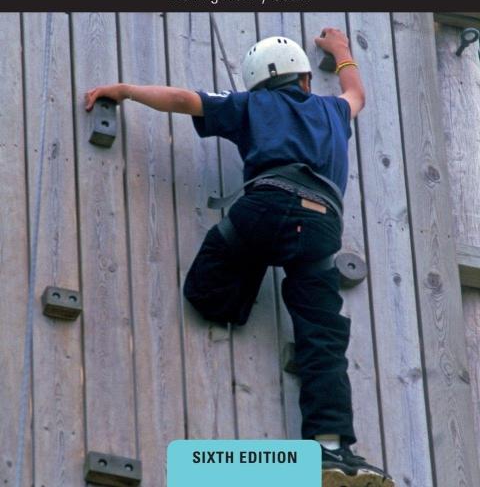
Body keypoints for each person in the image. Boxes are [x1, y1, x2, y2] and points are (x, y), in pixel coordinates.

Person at [85, 28, 394, 487]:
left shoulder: (251, 104)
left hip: (266, 207)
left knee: (211, 285)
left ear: (259, 82)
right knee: (323, 337)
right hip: (321, 227)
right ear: (305, 79)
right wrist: (342, 51)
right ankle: (332, 451)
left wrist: (126, 90)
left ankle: (227, 307)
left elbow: (182, 100)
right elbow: (357, 95)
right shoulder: (332, 109)